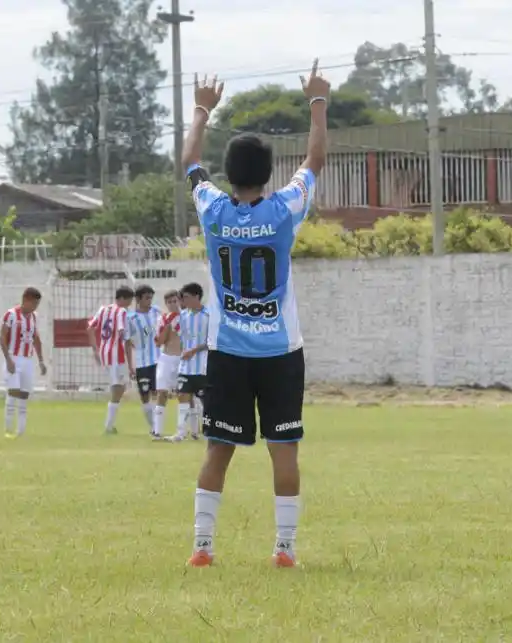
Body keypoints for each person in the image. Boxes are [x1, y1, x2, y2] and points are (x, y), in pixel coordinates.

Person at [182, 63, 329, 568]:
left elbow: (189, 163)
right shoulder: (285, 209)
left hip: (228, 352)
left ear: (230, 173)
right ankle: (284, 549)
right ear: (269, 174)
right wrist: (316, 101)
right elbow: (314, 159)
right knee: (283, 452)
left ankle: (203, 548)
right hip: (281, 352)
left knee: (218, 450)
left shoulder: (212, 210)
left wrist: (202, 109)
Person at [0, 287, 47, 438]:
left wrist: (41, 361)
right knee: (13, 392)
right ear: (26, 300)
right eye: (34, 303)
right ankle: (8, 430)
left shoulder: (34, 317)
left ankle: (20, 432)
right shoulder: (11, 315)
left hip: (27, 359)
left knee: (24, 396)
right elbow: (2, 337)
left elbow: (36, 339)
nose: (35, 307)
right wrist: (8, 359)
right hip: (14, 357)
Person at [87, 286, 135, 435]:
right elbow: (122, 332)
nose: (129, 305)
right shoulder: (121, 312)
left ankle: (110, 424)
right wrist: (131, 343)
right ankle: (108, 425)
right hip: (116, 354)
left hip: (104, 353)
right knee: (118, 389)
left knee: (119, 388)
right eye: (129, 301)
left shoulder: (103, 309)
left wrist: (95, 349)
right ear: (123, 299)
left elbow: (90, 328)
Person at [169, 283, 209, 442]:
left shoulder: (209, 315)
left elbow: (212, 341)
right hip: (185, 367)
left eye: (185, 297)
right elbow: (179, 337)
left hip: (203, 367)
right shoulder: (183, 316)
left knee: (206, 401)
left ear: (196, 297)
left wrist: (193, 350)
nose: (183, 301)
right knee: (182, 396)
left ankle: (208, 431)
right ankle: (180, 432)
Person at [126, 284, 161, 433]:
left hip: (159, 360)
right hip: (142, 362)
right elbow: (127, 342)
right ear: (138, 299)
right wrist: (130, 366)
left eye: (151, 298)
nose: (150, 301)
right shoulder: (131, 318)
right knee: (145, 395)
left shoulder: (157, 312)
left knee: (158, 393)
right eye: (147, 298)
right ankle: (153, 426)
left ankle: (157, 427)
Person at [151, 290, 181, 439]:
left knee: (187, 395)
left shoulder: (187, 317)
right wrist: (168, 327)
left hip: (183, 359)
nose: (172, 304)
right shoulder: (162, 319)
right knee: (162, 392)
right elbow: (158, 342)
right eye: (169, 302)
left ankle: (193, 431)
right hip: (167, 358)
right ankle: (157, 431)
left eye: (175, 301)